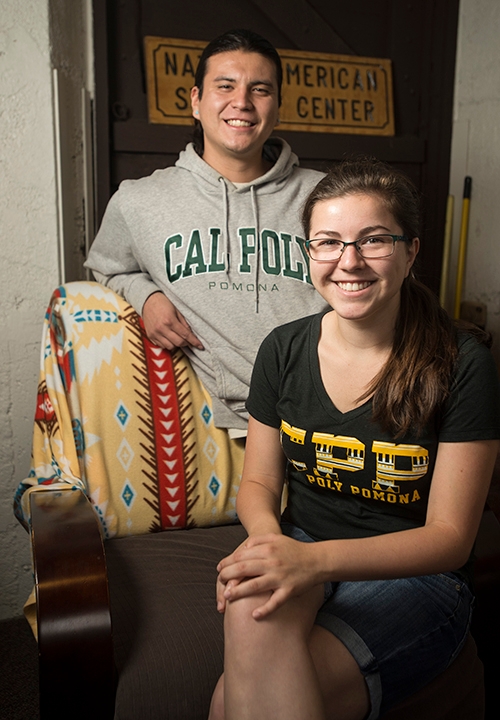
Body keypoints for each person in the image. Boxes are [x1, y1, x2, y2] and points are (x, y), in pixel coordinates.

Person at [209, 157, 500, 720]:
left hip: (417, 579)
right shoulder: (283, 349)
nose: (349, 262)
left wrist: (311, 564)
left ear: (412, 251)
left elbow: (450, 539)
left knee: (228, 704)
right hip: (302, 543)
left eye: (373, 240)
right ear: (309, 254)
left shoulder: (463, 362)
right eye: (328, 242)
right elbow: (261, 484)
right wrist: (274, 548)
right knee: (248, 608)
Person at [85, 29, 327, 435]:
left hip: (336, 402)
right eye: (226, 86)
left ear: (278, 107)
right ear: (196, 101)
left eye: (260, 89)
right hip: (239, 416)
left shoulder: (327, 196)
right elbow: (108, 267)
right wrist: (146, 296)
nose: (242, 103)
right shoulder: (139, 200)